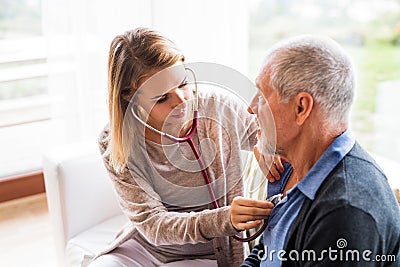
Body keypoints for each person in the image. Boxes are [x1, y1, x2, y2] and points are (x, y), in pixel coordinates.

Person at [85, 27, 280, 267]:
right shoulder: (115, 141)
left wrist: (265, 142)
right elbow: (152, 225)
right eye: (161, 98)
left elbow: (266, 131)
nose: (181, 100)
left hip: (210, 256)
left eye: (183, 83)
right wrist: (224, 218)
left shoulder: (219, 108)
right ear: (130, 96)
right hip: (147, 252)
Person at [241, 35, 400, 266]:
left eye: (262, 97)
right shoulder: (289, 166)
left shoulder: (345, 214)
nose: (251, 108)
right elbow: (268, 250)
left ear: (301, 107)